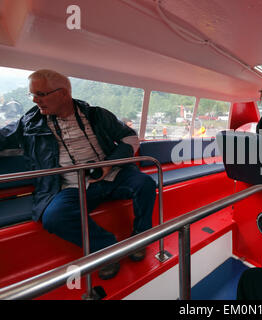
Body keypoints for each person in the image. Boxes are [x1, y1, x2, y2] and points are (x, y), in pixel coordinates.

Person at [0, 69, 157, 280]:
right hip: (70, 185)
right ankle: (106, 251)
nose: (36, 100)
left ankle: (141, 237)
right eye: (33, 95)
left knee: (145, 183)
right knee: (54, 217)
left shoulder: (97, 115)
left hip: (112, 175)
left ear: (63, 93)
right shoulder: (29, 123)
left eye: (41, 94)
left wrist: (109, 164)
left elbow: (130, 138)